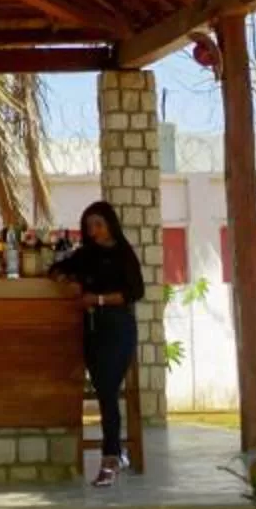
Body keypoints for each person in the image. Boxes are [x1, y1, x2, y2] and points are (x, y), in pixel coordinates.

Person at [50, 199, 146, 485]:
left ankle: (111, 458)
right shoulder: (87, 254)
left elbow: (134, 291)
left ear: (109, 224)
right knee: (104, 388)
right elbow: (57, 269)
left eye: (98, 224)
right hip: (93, 329)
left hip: (118, 326)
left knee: (106, 389)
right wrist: (69, 281)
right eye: (89, 225)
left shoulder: (122, 253)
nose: (94, 231)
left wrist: (98, 299)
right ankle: (116, 455)